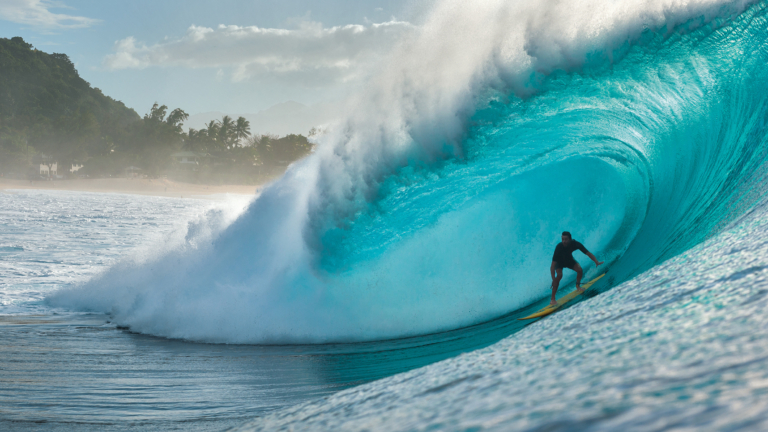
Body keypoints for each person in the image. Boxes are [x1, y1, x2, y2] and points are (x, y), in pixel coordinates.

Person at [549, 231, 603, 306]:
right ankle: (552, 299)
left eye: (566, 239)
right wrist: (553, 279)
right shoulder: (559, 247)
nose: (564, 241)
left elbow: (588, 253)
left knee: (580, 270)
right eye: (562, 239)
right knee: (559, 276)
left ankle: (578, 286)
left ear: (570, 239)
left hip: (569, 261)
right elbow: (552, 266)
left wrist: (596, 261)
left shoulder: (575, 244)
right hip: (559, 263)